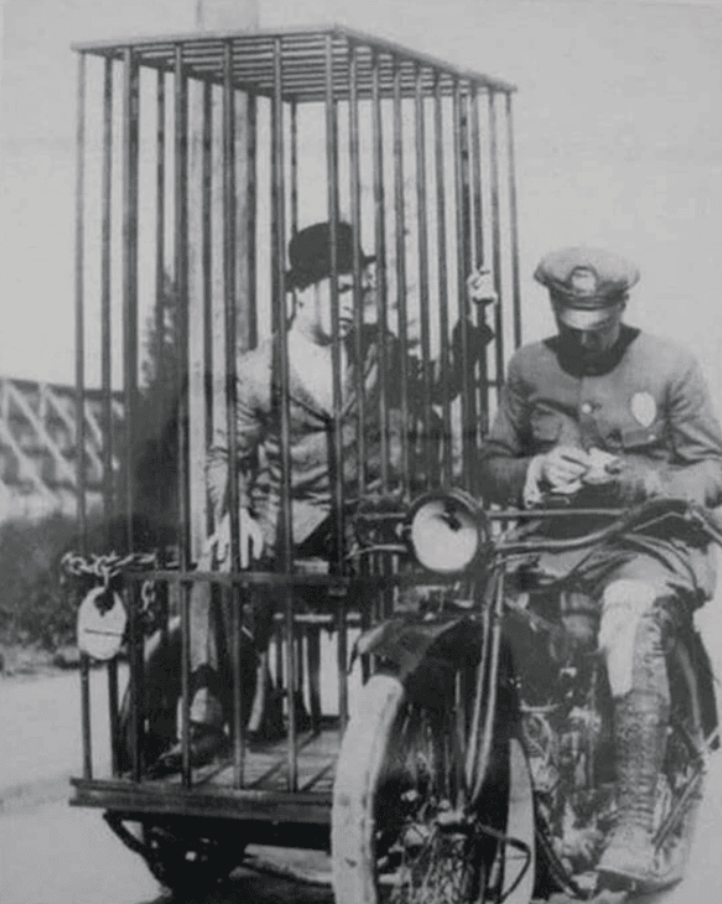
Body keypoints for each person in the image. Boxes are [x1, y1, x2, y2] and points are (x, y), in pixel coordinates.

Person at [155, 220, 498, 772]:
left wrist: (475, 320)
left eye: (357, 289)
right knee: (216, 562)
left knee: (427, 566)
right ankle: (207, 718)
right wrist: (235, 513)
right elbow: (223, 458)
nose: (352, 303)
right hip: (286, 523)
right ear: (298, 292)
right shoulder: (260, 369)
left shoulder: (374, 350)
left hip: (364, 522)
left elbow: (438, 384)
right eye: (339, 291)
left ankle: (411, 721)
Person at [479, 246, 722, 889]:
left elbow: (715, 470)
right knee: (494, 630)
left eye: (598, 322)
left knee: (627, 620)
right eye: (571, 323)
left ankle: (633, 826)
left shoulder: (669, 365)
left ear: (622, 306)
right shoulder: (529, 367)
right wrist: (535, 472)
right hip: (552, 549)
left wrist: (645, 481)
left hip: (646, 545)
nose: (585, 337)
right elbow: (490, 463)